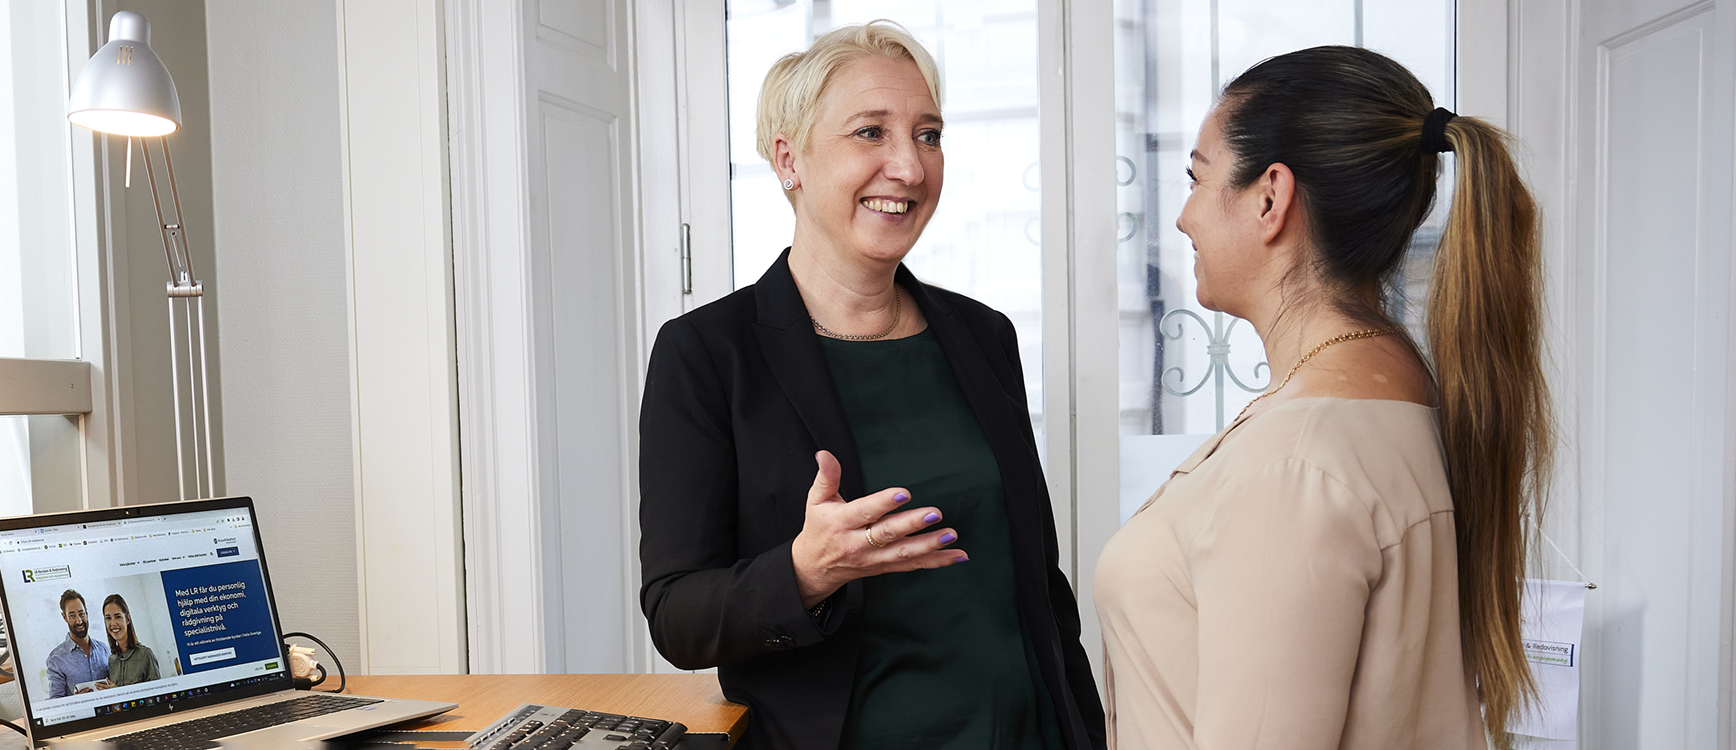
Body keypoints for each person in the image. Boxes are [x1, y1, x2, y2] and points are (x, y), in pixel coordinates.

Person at [638, 21, 1103, 750]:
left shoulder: (983, 335)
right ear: (789, 159)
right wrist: (805, 571)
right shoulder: (706, 354)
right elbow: (677, 616)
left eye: (928, 135)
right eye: (869, 132)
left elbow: (1039, 582)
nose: (910, 168)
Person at [1094, 45, 1549, 749]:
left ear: (1270, 198)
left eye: (1197, 178)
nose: (1183, 216)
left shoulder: (1292, 466)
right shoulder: (1401, 395)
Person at [44, 588, 111, 698]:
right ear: (64, 617)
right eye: (72, 615)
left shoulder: (104, 650)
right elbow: (56, 701)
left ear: (86, 613)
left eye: (81, 614)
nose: (79, 621)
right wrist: (76, 701)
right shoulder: (56, 659)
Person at [98, 594, 165, 689]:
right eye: (108, 618)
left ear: (128, 619)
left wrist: (118, 692)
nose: (113, 623)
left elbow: (158, 693)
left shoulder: (146, 655)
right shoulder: (111, 660)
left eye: (118, 616)